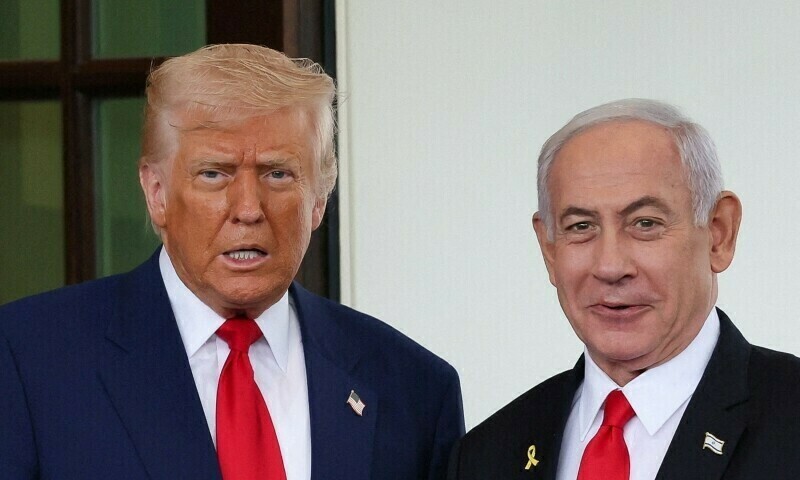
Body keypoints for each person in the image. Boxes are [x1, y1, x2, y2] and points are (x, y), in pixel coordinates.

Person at [0, 44, 464, 480]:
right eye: (214, 174)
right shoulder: (30, 359)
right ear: (156, 193)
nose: (248, 208)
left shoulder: (414, 388)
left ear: (319, 197)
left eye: (278, 174)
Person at [448, 99, 800, 479]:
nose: (611, 267)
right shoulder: (485, 455)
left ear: (719, 234)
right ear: (549, 249)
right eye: (581, 226)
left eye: (645, 223)